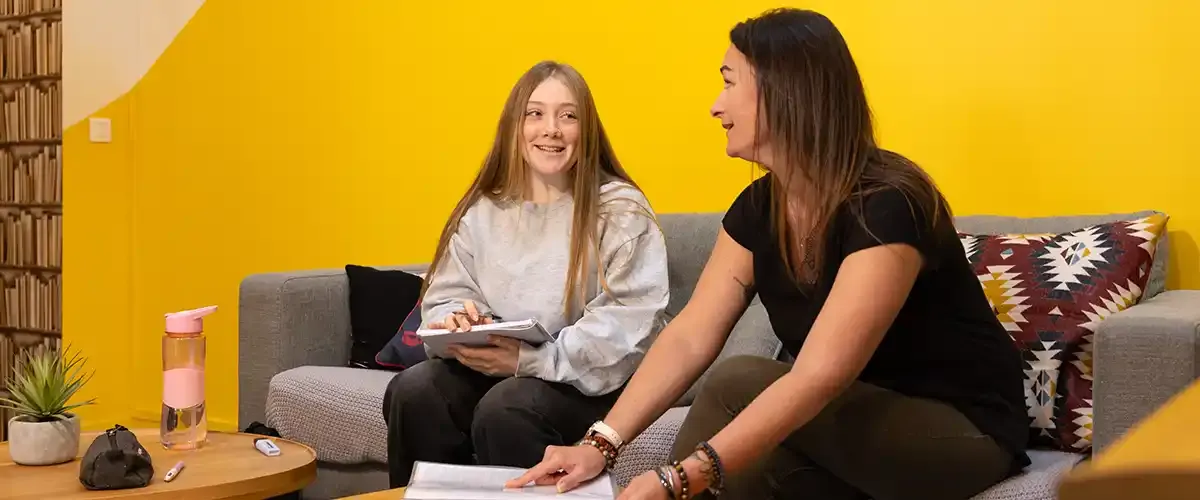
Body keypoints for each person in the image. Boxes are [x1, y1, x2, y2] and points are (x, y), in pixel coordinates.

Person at [508, 9, 1030, 500]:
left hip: (960, 434)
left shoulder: (890, 204)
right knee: (756, 471)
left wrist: (677, 479)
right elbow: (691, 335)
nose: (716, 104)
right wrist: (600, 445)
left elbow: (820, 375)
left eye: (729, 82)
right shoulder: (760, 208)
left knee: (740, 383)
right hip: (843, 427)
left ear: (786, 93)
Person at [381, 61, 670, 488]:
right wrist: (462, 323)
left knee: (507, 408)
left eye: (567, 115)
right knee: (415, 391)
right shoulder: (483, 211)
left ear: (586, 130)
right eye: (534, 114)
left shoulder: (620, 210)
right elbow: (444, 296)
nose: (550, 129)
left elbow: (631, 324)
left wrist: (532, 359)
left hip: (589, 384)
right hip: (498, 368)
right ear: (513, 128)